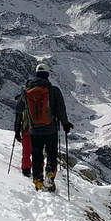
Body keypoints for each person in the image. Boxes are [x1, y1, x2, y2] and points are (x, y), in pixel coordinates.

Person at [15, 63, 73, 192]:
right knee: (51, 154)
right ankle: (50, 175)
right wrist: (65, 124)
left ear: (36, 74)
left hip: (34, 130)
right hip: (51, 129)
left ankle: (38, 181)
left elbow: (19, 108)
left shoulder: (27, 91)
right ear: (47, 75)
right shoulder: (54, 90)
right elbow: (61, 109)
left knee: (36, 156)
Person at [12, 90, 32, 177]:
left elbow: (18, 119)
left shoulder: (24, 99)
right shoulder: (43, 94)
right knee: (38, 150)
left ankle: (26, 169)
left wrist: (17, 133)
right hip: (41, 128)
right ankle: (39, 171)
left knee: (26, 150)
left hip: (26, 129)